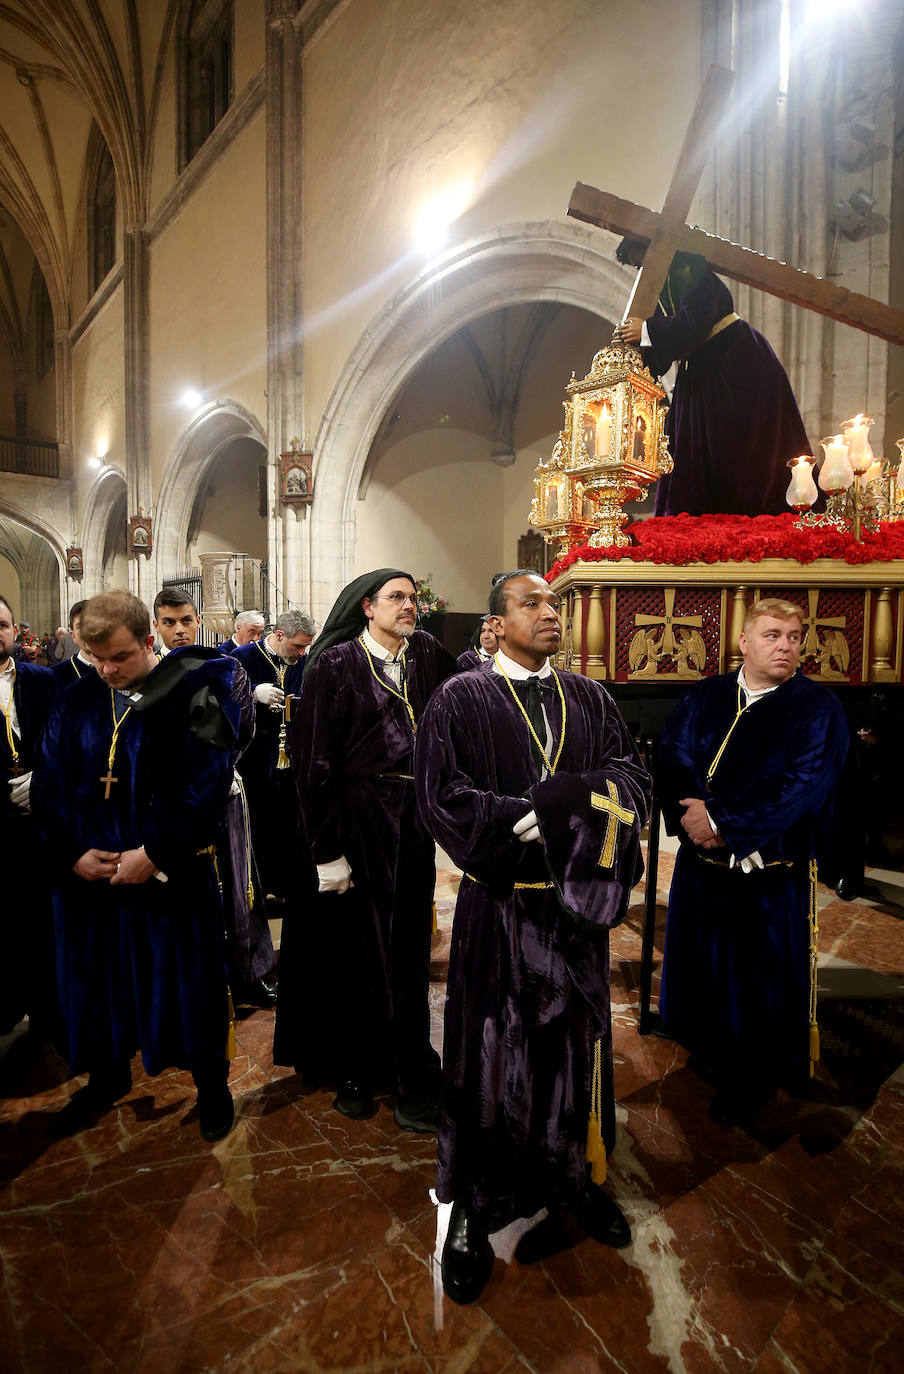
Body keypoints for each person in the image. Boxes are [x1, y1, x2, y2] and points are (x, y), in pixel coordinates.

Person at [415, 571, 651, 1304]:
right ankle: (469, 1208)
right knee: (484, 1057)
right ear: (497, 621)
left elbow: (630, 779)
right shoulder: (461, 698)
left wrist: (561, 807)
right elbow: (440, 797)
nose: (551, 614)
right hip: (502, 911)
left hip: (575, 914)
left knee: (575, 1049)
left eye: (556, 604)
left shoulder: (590, 697)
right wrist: (520, 823)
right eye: (533, 604)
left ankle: (574, 1177)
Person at [31, 590, 242, 1141]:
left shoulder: (196, 690)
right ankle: (106, 1077)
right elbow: (49, 785)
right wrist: (72, 852)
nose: (107, 670)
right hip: (94, 878)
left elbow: (207, 782)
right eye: (97, 658)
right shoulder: (75, 700)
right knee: (100, 986)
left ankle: (212, 1087)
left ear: (149, 641)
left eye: (120, 657)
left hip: (171, 874)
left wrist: (154, 852)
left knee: (188, 986)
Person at [274, 569, 457, 1131]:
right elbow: (313, 765)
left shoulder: (425, 652)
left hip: (413, 826)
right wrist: (327, 853)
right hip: (356, 825)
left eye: (412, 597)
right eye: (397, 597)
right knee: (355, 952)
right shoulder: (335, 665)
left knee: (407, 948)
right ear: (367, 606)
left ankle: (409, 1060)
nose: (409, 605)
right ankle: (353, 1068)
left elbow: (469, 691)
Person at [656, 597, 848, 1127]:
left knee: (758, 980)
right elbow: (672, 754)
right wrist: (694, 819)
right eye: (772, 634)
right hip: (701, 868)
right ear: (744, 642)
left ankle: (754, 1076)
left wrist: (720, 820)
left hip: (767, 873)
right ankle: (711, 1049)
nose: (786, 645)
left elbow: (803, 783)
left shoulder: (816, 708)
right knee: (704, 968)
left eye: (794, 636)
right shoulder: (707, 694)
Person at [614, 242, 814, 517]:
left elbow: (695, 320)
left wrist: (647, 329)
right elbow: (664, 348)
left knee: (738, 453)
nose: (642, 272)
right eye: (638, 267)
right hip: (700, 372)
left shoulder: (689, 268)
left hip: (733, 364)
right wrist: (632, 359)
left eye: (642, 263)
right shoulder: (661, 288)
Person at [0, 594, 60, 1040]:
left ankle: (46, 1011)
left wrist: (42, 781)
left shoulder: (41, 679)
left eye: (2, 625)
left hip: (41, 824)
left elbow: (66, 740)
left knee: (42, 921)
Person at [232, 609, 315, 903]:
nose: (302, 652)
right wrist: (253, 693)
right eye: (297, 646)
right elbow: (223, 699)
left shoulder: (303, 662)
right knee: (259, 826)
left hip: (291, 760)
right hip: (255, 758)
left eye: (306, 646)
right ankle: (257, 889)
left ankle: (285, 890)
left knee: (288, 826)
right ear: (279, 636)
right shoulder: (243, 657)